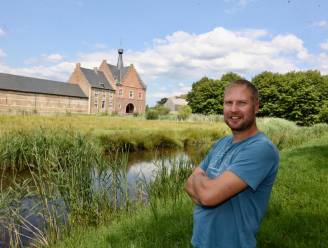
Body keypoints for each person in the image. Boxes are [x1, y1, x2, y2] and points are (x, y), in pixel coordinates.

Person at [185, 79, 279, 248]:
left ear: (256, 107)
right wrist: (205, 187)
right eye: (229, 103)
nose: (234, 109)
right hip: (200, 242)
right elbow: (188, 185)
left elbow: (207, 196)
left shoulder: (261, 149)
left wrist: (200, 180)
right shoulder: (222, 142)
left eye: (242, 103)